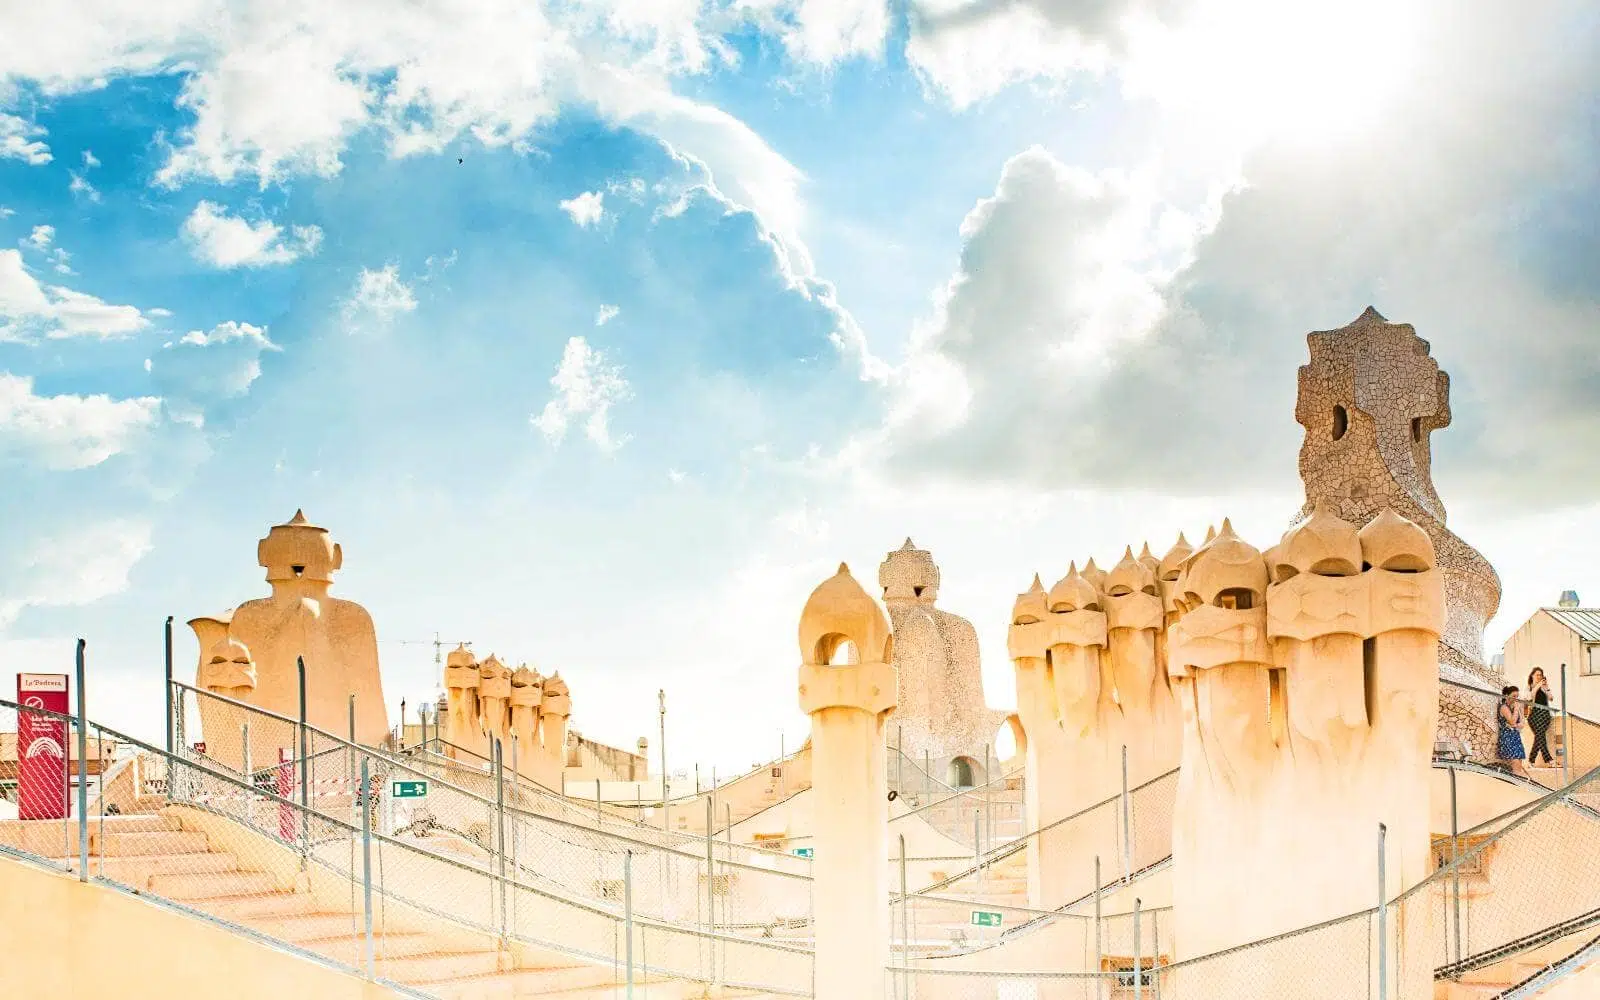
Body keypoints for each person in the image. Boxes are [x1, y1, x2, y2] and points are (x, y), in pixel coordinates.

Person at [1497, 685, 1530, 779]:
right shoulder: (1504, 707)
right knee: (1515, 764)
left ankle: (1518, 784)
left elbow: (1522, 723)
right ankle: (1517, 786)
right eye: (1514, 696)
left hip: (1516, 736)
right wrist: (1516, 709)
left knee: (1519, 763)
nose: (1516, 698)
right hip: (1507, 737)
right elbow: (1512, 721)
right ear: (1507, 695)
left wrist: (1515, 724)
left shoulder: (1517, 707)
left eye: (1517, 696)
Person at [1528, 668, 1555, 766]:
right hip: (1535, 715)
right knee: (1540, 737)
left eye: (1541, 675)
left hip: (1545, 715)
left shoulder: (1544, 687)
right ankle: (1549, 760)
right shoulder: (1530, 686)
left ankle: (1531, 761)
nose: (1539, 677)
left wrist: (1546, 687)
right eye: (1537, 675)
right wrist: (1538, 685)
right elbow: (1531, 697)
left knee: (1539, 737)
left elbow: (1551, 698)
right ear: (1532, 676)